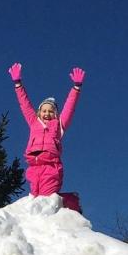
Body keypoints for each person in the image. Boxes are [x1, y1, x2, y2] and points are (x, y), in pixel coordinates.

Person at [8, 62, 86, 197]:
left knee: (47, 199)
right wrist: (18, 84)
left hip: (51, 166)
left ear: (55, 114)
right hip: (34, 165)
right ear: (39, 112)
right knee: (35, 199)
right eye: (44, 110)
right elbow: (24, 104)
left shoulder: (59, 125)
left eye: (51, 111)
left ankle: (71, 202)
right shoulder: (33, 122)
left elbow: (69, 107)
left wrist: (76, 88)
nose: (47, 113)